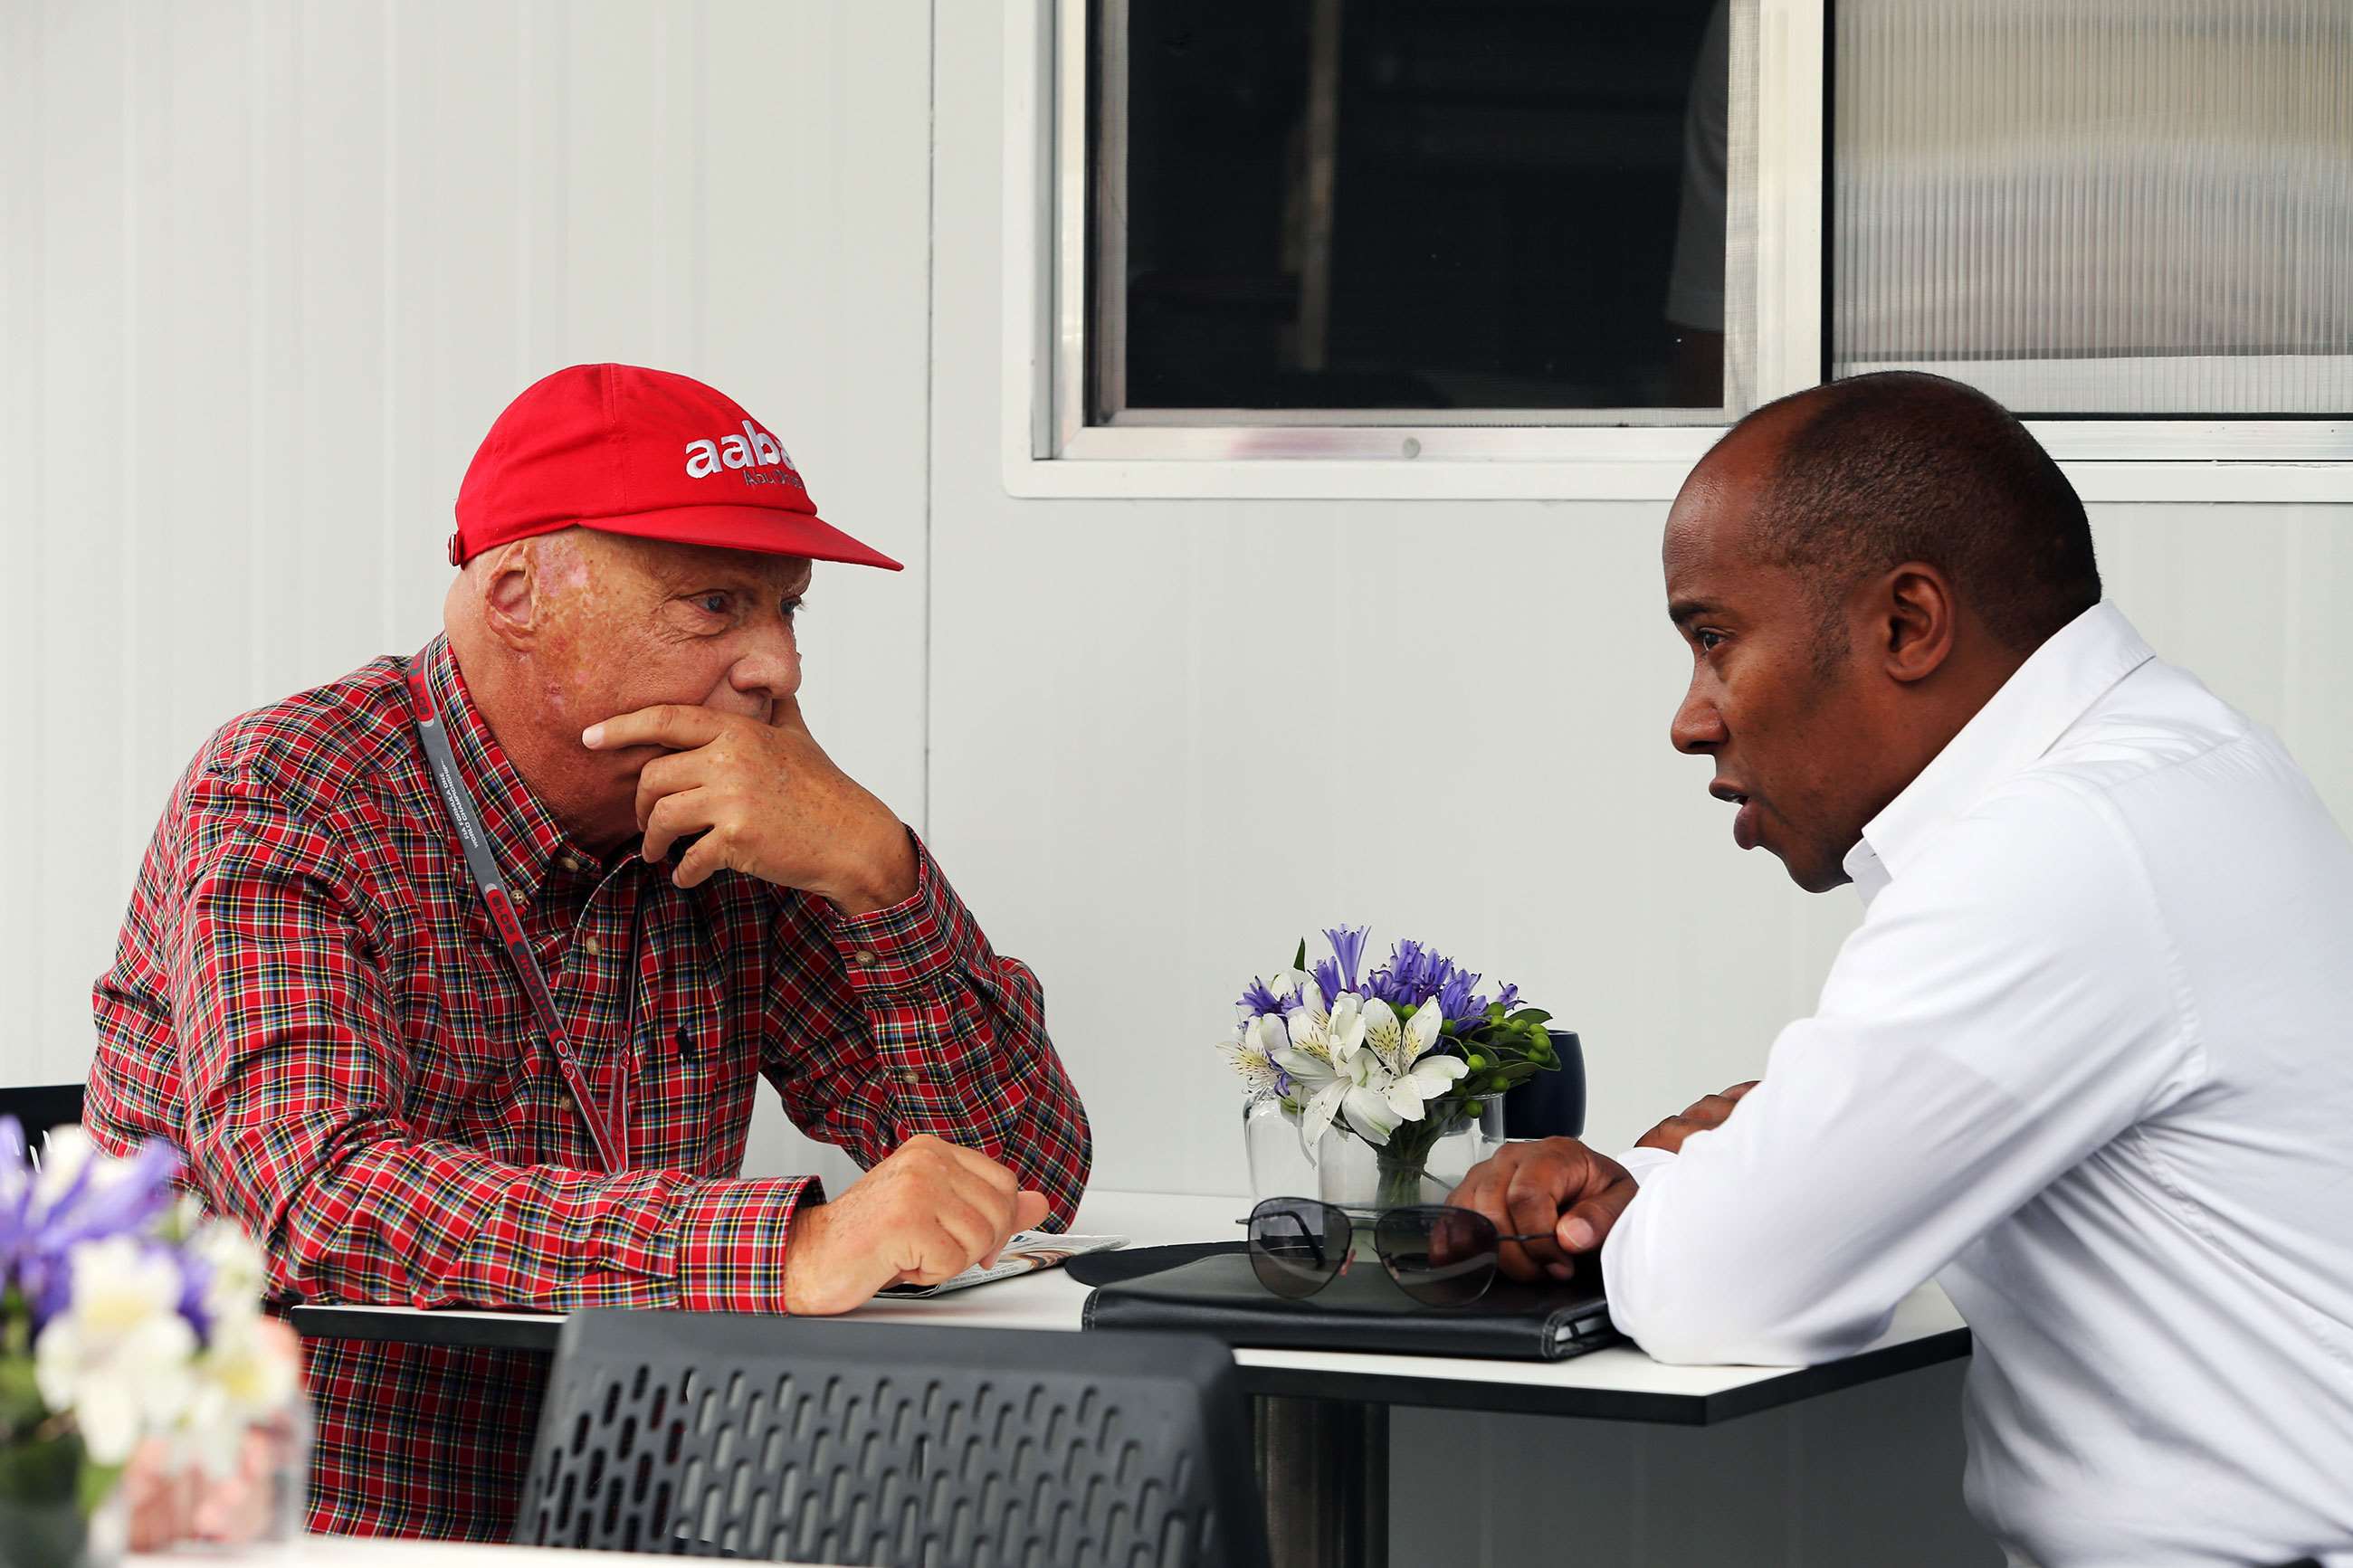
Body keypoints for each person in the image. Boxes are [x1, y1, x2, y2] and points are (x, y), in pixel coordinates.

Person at [86, 363, 1092, 1540]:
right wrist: (793, 1245)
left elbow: (1022, 1182)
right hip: (301, 1529)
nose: (779, 666)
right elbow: (316, 1203)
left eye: (788, 608)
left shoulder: (734, 815)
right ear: (516, 592)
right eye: (716, 604)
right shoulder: (292, 786)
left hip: (624, 1523)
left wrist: (882, 874)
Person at [1449, 372, 2353, 1567]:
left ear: (1906, 625)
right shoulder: (2180, 763)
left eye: (1715, 640)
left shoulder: (2058, 845)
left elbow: (1729, 1284)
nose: (1691, 717)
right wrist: (1759, 1156)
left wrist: (1655, 1187)